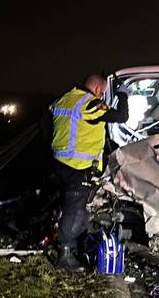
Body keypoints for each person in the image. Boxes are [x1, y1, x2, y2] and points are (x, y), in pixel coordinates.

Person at [49, 74, 128, 273]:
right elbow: (121, 117)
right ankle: (65, 257)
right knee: (75, 210)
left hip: (60, 163)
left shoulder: (65, 98)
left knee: (68, 207)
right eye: (102, 93)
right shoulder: (90, 104)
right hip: (77, 167)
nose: (102, 97)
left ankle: (72, 247)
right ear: (98, 90)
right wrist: (123, 95)